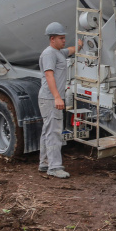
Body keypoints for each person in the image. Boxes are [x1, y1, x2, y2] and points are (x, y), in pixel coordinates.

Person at [38, 22, 80, 178]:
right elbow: (49, 75)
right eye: (61, 38)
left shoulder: (59, 52)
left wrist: (80, 46)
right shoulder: (49, 54)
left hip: (49, 98)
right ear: (52, 38)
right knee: (54, 132)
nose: (64, 41)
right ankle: (54, 168)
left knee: (47, 131)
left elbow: (69, 50)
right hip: (50, 98)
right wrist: (57, 97)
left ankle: (44, 163)